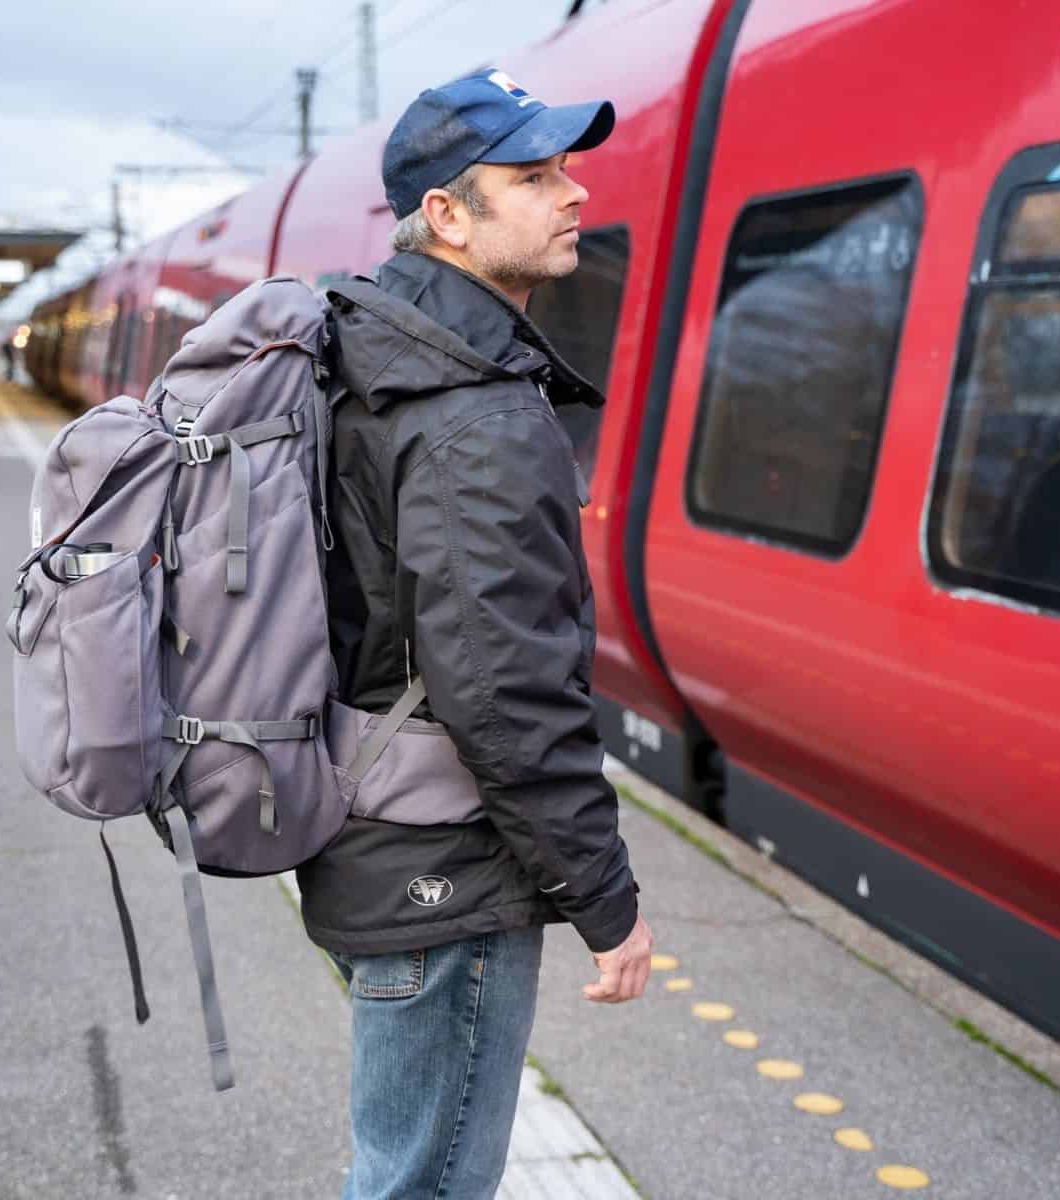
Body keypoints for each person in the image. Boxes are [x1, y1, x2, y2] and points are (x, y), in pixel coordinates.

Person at [295, 68, 654, 1200]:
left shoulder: (373, 344)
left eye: (567, 169)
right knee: (426, 1183)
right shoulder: (473, 412)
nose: (574, 194)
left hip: (372, 833)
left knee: (400, 1165)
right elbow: (506, 689)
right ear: (446, 215)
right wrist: (607, 900)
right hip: (442, 871)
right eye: (535, 175)